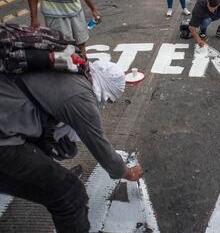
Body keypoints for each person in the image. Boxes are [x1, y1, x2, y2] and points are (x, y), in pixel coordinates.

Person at [0, 59, 142, 233]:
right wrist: (125, 172)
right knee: (71, 194)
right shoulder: (80, 97)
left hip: (11, 116)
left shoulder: (74, 73)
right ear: (106, 87)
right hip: (4, 136)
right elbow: (100, 147)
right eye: (110, 99)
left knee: (53, 154)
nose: (106, 104)